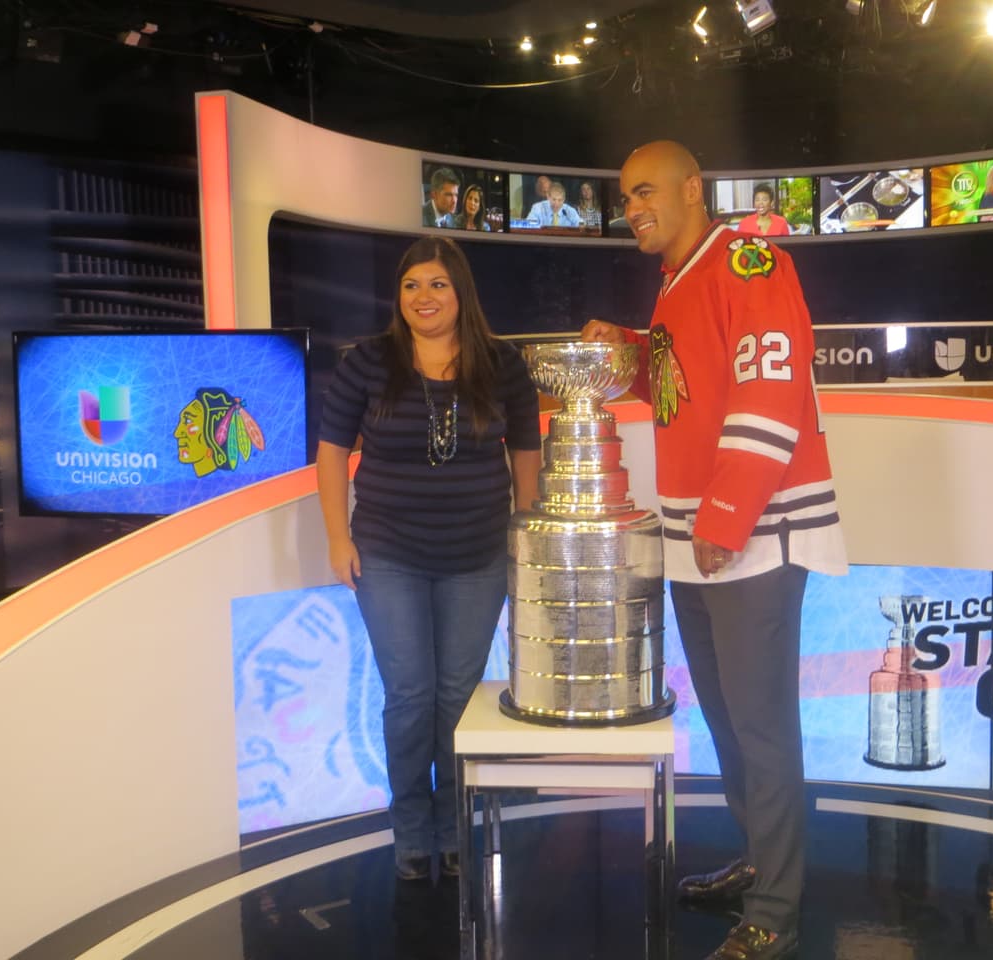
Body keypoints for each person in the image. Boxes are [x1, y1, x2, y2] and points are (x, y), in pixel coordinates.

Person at [581, 141, 846, 960]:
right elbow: (680, 381)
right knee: (730, 722)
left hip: (752, 539)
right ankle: (764, 861)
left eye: (648, 191)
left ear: (695, 189)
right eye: (627, 199)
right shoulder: (676, 281)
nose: (635, 209)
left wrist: (727, 519)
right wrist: (622, 350)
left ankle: (776, 907)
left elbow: (769, 391)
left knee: (762, 727)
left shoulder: (749, 259)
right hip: (697, 540)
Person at [316, 236, 541, 882]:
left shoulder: (501, 365)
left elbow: (526, 454)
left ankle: (453, 827)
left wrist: (524, 536)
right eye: (412, 285)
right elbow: (332, 452)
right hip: (388, 555)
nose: (424, 297)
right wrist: (338, 536)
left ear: (461, 291)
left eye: (437, 284)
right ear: (398, 296)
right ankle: (412, 831)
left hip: (477, 557)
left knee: (455, 698)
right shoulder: (367, 363)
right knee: (410, 695)